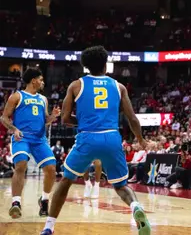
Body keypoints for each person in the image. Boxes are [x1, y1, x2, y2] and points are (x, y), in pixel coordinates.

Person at [40, 46, 150, 235]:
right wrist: (140, 139)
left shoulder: (76, 85)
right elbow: (132, 118)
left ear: (86, 66)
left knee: (65, 181)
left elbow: (65, 119)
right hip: (112, 138)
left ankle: (48, 227)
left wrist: (83, 122)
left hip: (87, 137)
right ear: (105, 65)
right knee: (121, 185)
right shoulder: (119, 86)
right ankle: (135, 207)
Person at [0, 68, 60, 219]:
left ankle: (44, 200)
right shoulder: (17, 96)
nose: (42, 82)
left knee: (51, 169)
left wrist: (52, 117)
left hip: (39, 139)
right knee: (21, 165)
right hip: (22, 137)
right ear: (33, 80)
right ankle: (16, 203)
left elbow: (45, 121)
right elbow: (4, 118)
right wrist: (14, 129)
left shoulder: (43, 99)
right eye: (40, 79)